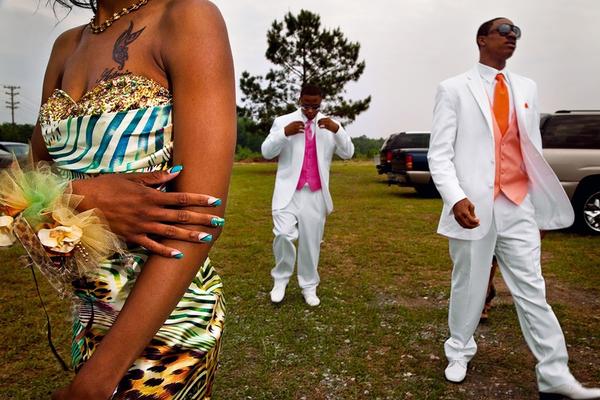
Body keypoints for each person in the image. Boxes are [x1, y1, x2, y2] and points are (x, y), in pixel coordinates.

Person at [31, 0, 236, 399]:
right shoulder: (66, 46)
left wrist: (99, 377)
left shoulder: (187, 17)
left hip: (166, 319)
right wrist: (81, 196)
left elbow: (200, 215)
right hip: (89, 307)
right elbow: (34, 174)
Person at [427, 17, 600, 399]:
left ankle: (554, 374)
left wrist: (536, 207)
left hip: (518, 203)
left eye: (516, 33)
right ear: (481, 39)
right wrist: (455, 197)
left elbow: (530, 150)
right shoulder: (454, 89)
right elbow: (439, 155)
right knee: (468, 286)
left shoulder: (526, 87)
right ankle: (458, 351)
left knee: (533, 290)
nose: (512, 38)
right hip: (474, 206)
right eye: (504, 32)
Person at [261, 84, 354, 307]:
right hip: (288, 193)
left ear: (321, 102)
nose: (310, 110)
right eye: (306, 105)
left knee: (311, 243)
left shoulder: (330, 126)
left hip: (315, 194)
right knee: (283, 234)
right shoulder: (283, 122)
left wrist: (337, 130)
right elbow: (266, 152)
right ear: (299, 99)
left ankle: (309, 286)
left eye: (315, 106)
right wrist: (284, 134)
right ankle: (281, 280)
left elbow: (348, 153)